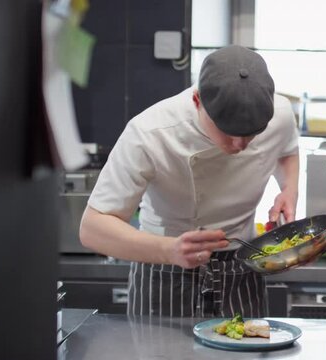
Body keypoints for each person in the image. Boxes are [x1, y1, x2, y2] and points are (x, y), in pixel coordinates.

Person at [80, 45, 299, 318]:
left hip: (242, 266)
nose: (239, 144)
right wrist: (169, 250)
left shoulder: (281, 113)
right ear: (197, 101)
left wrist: (289, 189)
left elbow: (287, 150)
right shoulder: (149, 133)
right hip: (164, 269)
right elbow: (92, 228)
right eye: (227, 132)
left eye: (252, 134)